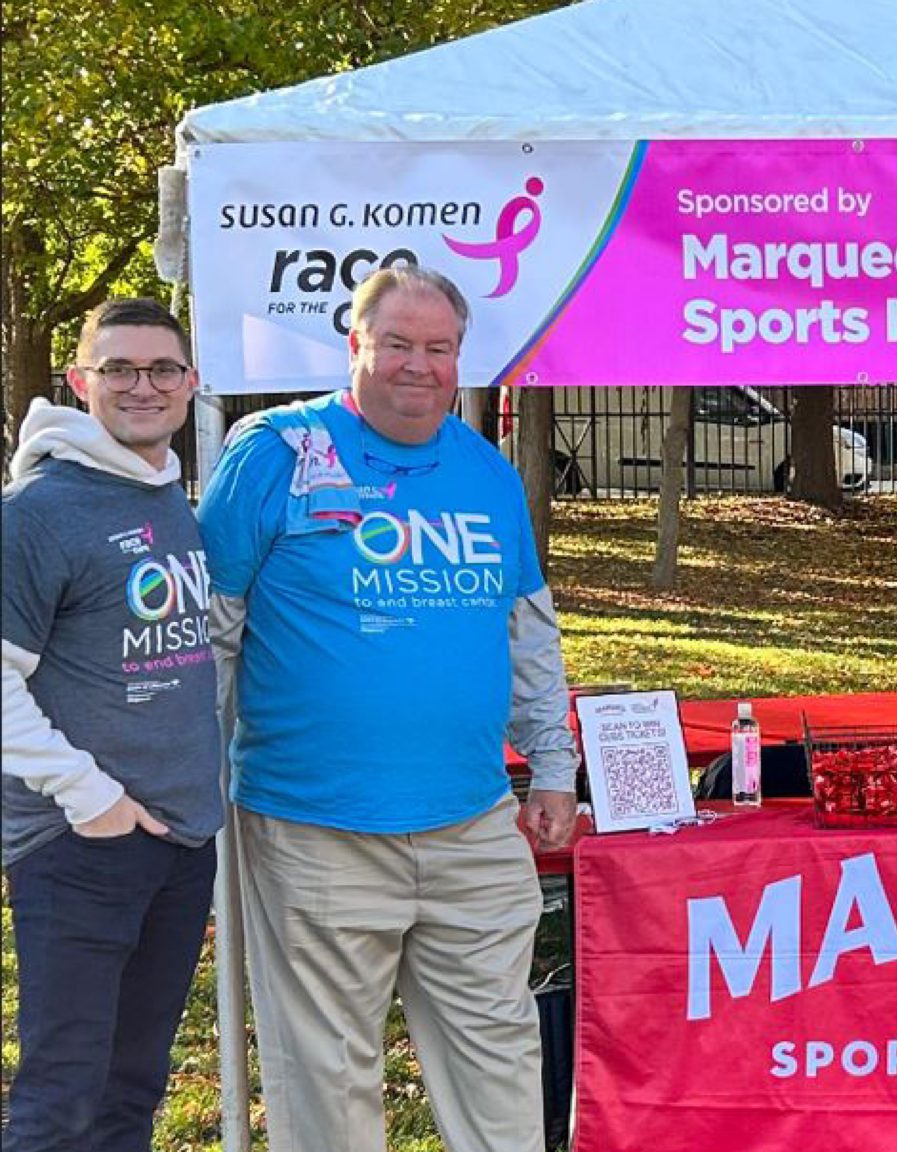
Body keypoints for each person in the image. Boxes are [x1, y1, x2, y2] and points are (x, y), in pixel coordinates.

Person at [198, 266, 582, 1152]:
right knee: (327, 1074)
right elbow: (208, 635)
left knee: (498, 1052)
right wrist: (188, 783)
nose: (420, 365)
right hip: (314, 827)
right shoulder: (276, 453)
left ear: (459, 357)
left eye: (439, 348)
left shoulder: (484, 471)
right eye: (398, 344)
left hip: (473, 825)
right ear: (354, 346)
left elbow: (527, 634)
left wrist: (553, 767)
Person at [2, 298, 223, 1152]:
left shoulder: (167, 494)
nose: (143, 386)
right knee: (62, 1096)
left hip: (175, 839)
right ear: (79, 381)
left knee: (130, 1091)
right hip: (79, 844)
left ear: (190, 383)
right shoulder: (39, 512)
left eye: (162, 369)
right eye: (119, 369)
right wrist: (87, 796)